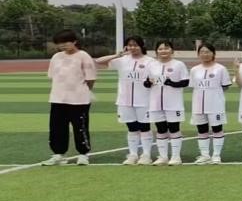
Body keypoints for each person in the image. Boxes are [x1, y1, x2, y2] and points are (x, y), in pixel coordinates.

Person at [95, 37, 156, 165]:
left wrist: (151, 82)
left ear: (141, 46)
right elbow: (98, 61)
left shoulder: (150, 62)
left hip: (144, 100)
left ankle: (146, 155)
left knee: (144, 127)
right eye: (129, 45)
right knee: (132, 128)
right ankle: (133, 154)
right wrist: (117, 55)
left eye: (135, 45)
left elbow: (155, 78)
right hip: (125, 100)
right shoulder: (122, 60)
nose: (132, 48)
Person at [43, 29, 96, 166]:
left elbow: (90, 79)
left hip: (79, 99)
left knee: (80, 127)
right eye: (59, 43)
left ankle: (83, 154)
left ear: (74, 42)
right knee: (57, 128)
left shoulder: (83, 56)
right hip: (58, 98)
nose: (62, 45)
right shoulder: (56, 57)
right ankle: (58, 154)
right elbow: (52, 76)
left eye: (66, 42)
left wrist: (84, 91)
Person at [147, 40, 189, 166]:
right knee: (160, 129)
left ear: (172, 50)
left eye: (166, 48)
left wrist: (171, 83)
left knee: (174, 128)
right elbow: (146, 82)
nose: (163, 51)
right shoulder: (152, 65)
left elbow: (185, 82)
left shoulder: (178, 64)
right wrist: (148, 83)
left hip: (173, 103)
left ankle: (176, 157)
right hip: (155, 102)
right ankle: (163, 157)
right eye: (160, 49)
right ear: (156, 51)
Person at [189, 43, 232, 164]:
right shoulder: (194, 70)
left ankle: (216, 155)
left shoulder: (220, 69)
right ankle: (205, 155)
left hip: (215, 104)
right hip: (198, 105)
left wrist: (213, 94)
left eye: (207, 52)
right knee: (201, 129)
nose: (205, 54)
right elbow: (193, 86)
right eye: (202, 52)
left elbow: (225, 86)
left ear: (213, 53)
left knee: (217, 129)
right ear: (198, 54)